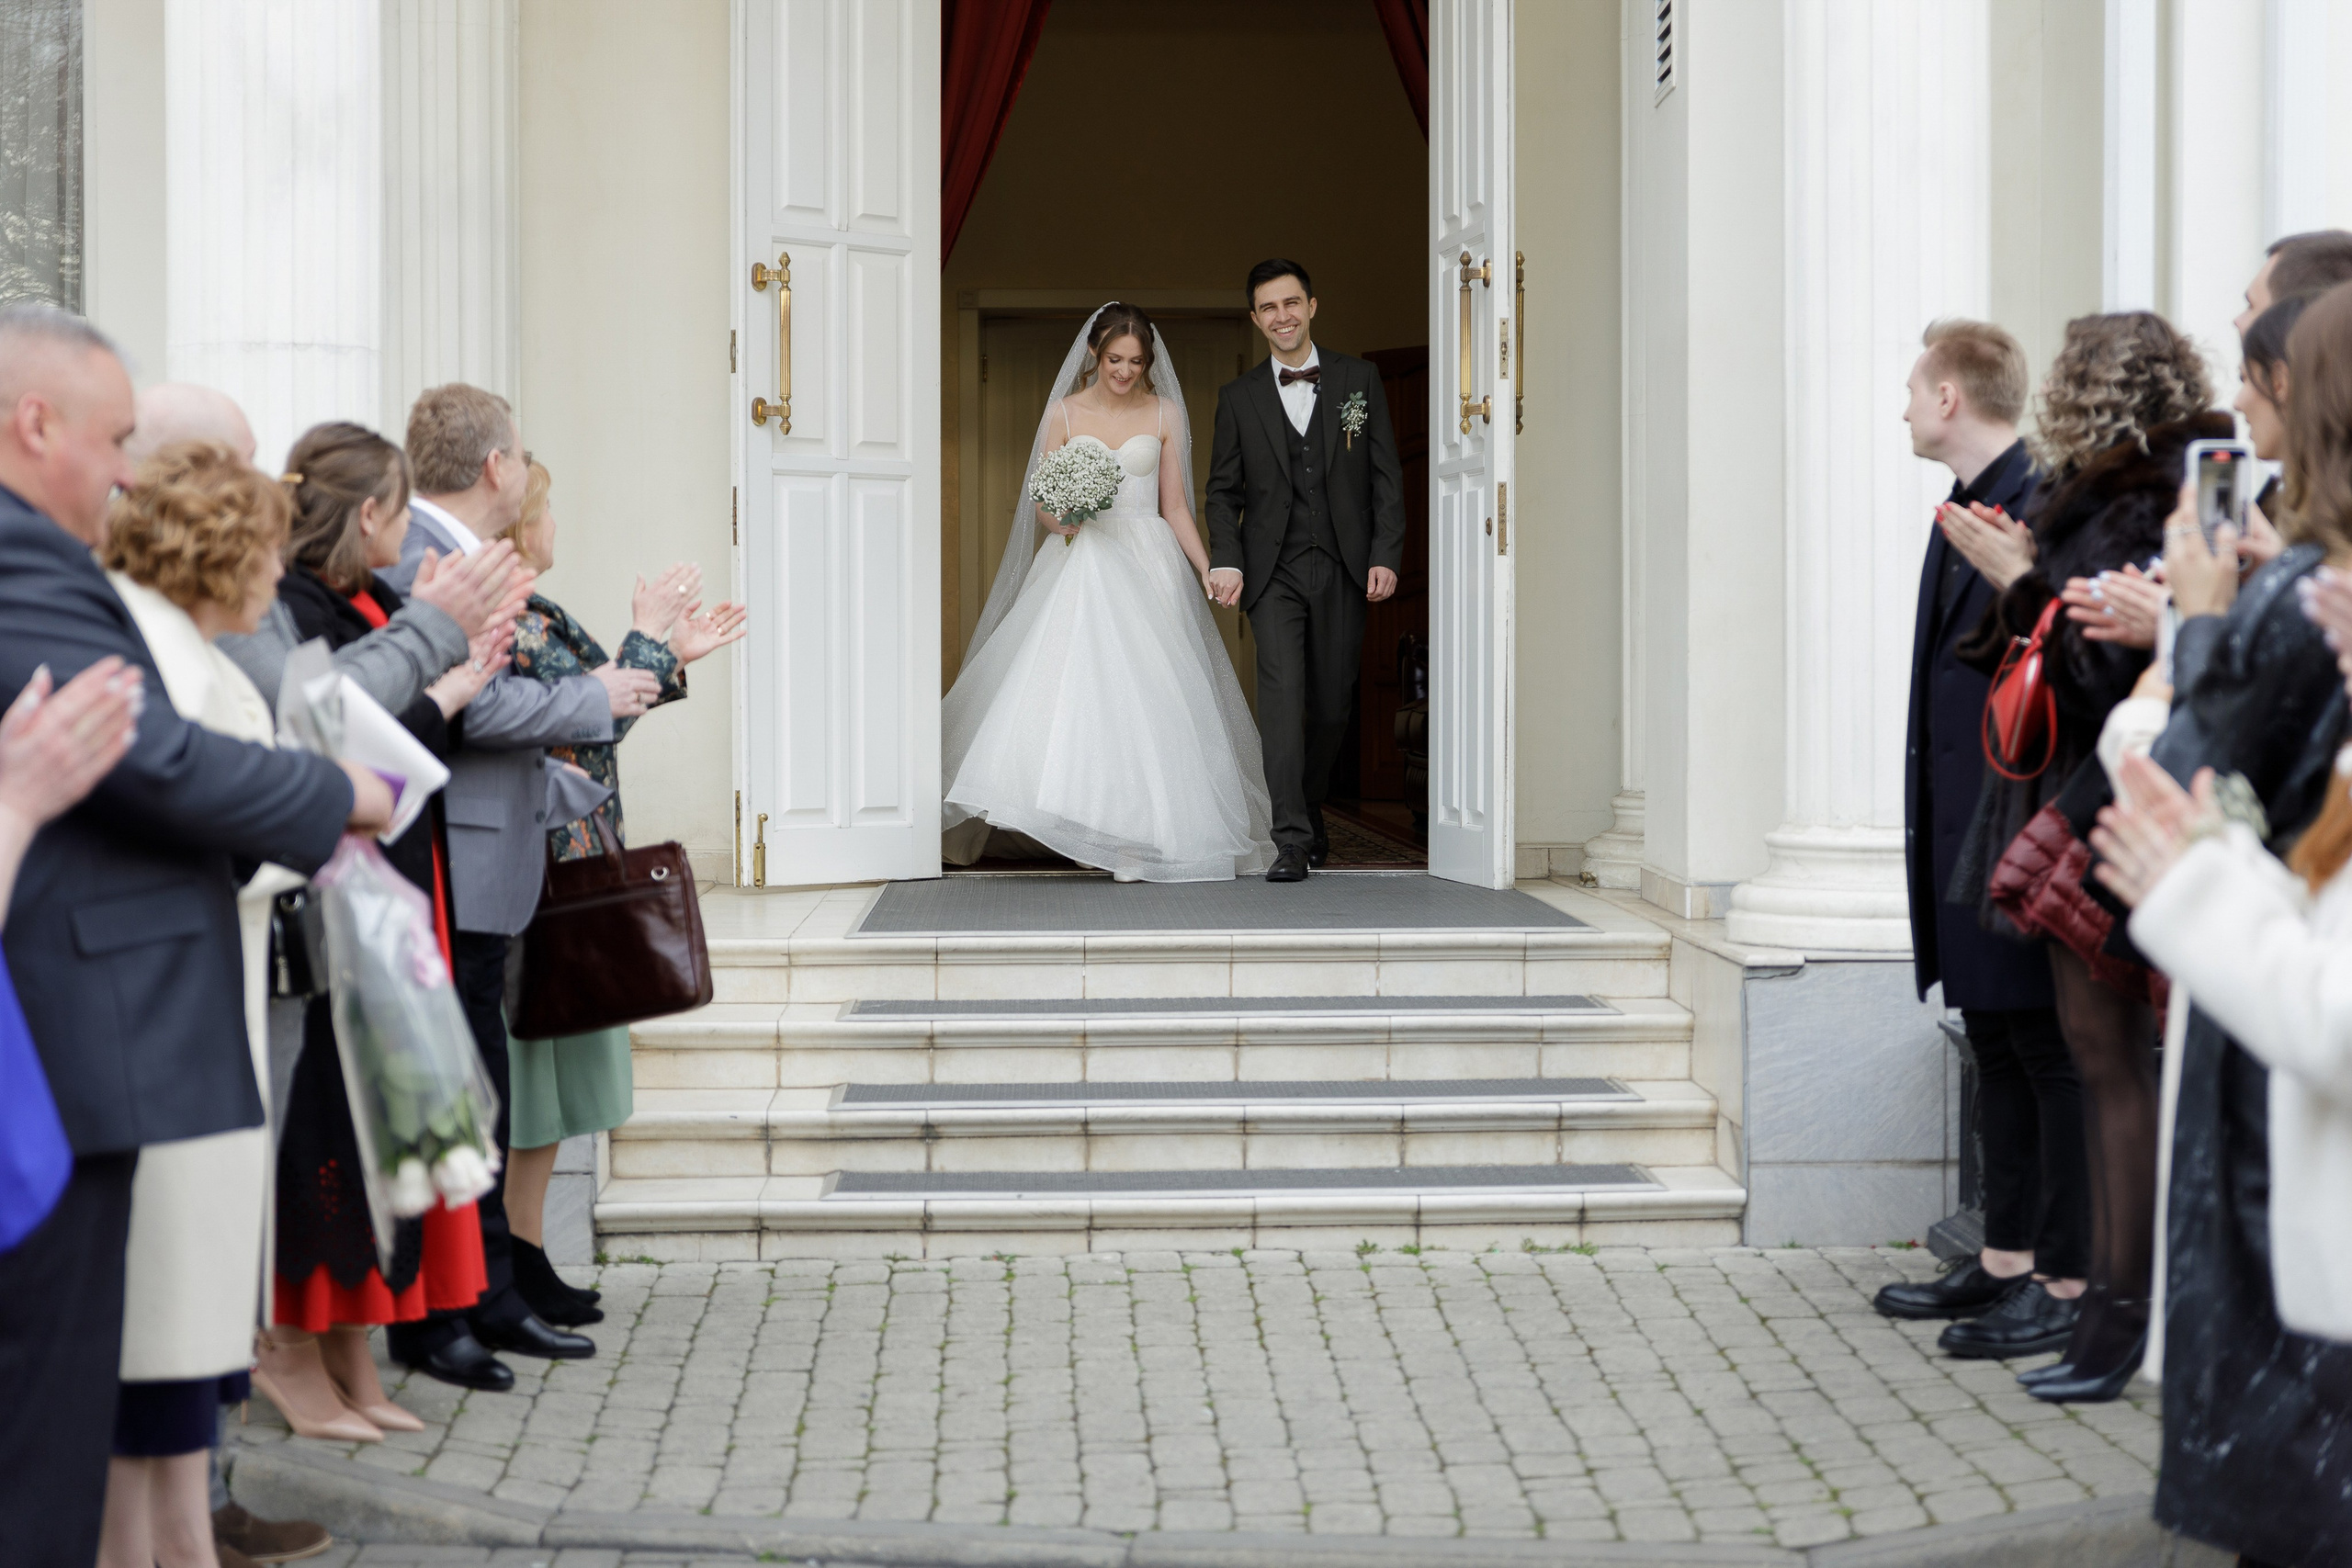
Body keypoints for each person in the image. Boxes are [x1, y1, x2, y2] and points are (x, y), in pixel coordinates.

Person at [0, 304, 391, 1568]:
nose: (127, 473)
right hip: (87, 1024)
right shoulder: (22, 553)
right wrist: (340, 795)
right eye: (115, 438)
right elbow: (149, 759)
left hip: (121, 1019)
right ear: (34, 422)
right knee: (49, 1421)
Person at [2092, 281, 2352, 1567]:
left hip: (2284, 1089)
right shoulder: (2306, 587)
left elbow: (2193, 775)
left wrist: (2185, 640)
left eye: (2263, 360)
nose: (2240, 392)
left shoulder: (2302, 590)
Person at [1938, 311, 2225, 1366]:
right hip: (2074, 788)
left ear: (2090, 386)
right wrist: (2025, 585)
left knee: (2100, 1059)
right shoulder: (2106, 491)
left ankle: (2092, 1300)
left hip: (2104, 794)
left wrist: (2024, 584)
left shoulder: (2140, 499)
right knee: (2089, 1055)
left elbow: (2102, 669)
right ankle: (2090, 1303)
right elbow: (2048, 640)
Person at [382, 384, 644, 1385]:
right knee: (466, 1095)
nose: (530, 473)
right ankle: (463, 1304)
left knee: (478, 1094)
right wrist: (596, 694)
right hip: (451, 856)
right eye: (524, 455)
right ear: (497, 466)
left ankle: (484, 1295)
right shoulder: (427, 557)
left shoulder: (454, 551)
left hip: (488, 857)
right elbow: (472, 708)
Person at [94, 441, 313, 1568]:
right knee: (168, 1308)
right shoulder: (163, 659)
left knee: (193, 1308)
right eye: (270, 549)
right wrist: (319, 816)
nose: (280, 572)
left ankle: (182, 1530)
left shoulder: (196, 652)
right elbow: (204, 821)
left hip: (212, 993)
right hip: (173, 1013)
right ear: (220, 551)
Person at [266, 421, 508, 1435]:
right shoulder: (297, 606)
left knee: (385, 1118)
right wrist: (447, 684)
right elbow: (328, 732)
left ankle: (353, 1353)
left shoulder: (369, 597)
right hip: (332, 892)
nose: (410, 530)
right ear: (368, 513)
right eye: (402, 509)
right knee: (329, 1126)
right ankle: (294, 1352)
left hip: (398, 871)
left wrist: (448, 676)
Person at [495, 457, 744, 1324]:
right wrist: (647, 636)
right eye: (548, 509)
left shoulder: (531, 612)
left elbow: (588, 721)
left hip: (561, 863)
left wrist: (665, 653)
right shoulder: (512, 621)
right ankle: (517, 1260)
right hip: (539, 875)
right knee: (533, 1088)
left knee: (552, 1090)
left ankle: (526, 1255)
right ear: (520, 524)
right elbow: (577, 725)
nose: (556, 523)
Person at [1875, 321, 2074, 1337]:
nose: (1905, 408)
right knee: (1993, 1036)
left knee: (2039, 1043)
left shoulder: (2038, 506)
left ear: (1950, 397)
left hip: (2019, 823)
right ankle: (2003, 1258)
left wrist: (2026, 581)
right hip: (1964, 823)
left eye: (1915, 389)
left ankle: (2060, 1277)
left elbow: (2074, 660)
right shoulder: (1963, 506)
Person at [943, 301, 1273, 882]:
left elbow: (1176, 506)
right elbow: (1042, 506)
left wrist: (1206, 567)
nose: (1125, 371)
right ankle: (1090, 826)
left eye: (1136, 362)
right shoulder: (1063, 414)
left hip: (1148, 563)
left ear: (1148, 363)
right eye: (1115, 359)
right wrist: (1065, 519)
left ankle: (1137, 841)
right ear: (1094, 353)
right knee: (1080, 697)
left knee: (1151, 698)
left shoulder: (1166, 412)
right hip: (1083, 561)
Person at [1204, 261, 1408, 881]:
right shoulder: (1237, 398)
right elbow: (1222, 492)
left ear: (1312, 306)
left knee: (1331, 708)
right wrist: (1226, 558)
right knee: (1283, 700)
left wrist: (1385, 552)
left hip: (1344, 565)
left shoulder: (1357, 380)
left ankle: (1309, 801)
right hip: (1274, 573)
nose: (1282, 316)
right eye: (1269, 307)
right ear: (1255, 318)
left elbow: (1385, 475)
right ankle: (1290, 838)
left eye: (1291, 303)